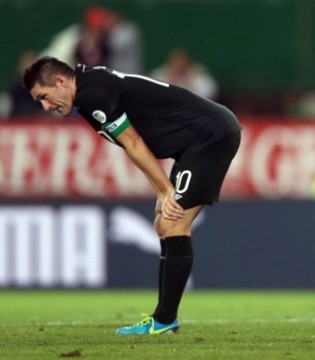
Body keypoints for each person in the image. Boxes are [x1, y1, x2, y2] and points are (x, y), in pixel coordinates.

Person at [23, 56, 242, 335]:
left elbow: (134, 143)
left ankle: (164, 320)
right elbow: (135, 143)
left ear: (60, 81)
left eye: (44, 96)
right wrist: (162, 191)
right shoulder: (90, 86)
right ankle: (164, 319)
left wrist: (166, 191)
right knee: (164, 224)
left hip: (210, 136)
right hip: (195, 142)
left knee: (174, 222)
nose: (46, 106)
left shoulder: (91, 94)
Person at [151, 48, 219, 101]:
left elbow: (210, 94)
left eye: (182, 63)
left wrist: (190, 82)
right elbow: (151, 93)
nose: (179, 66)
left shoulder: (197, 74)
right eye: (176, 63)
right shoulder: (160, 74)